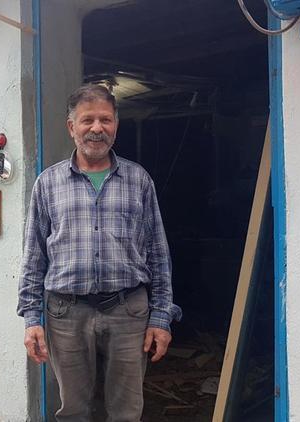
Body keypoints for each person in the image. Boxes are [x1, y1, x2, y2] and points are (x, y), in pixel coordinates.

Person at [18, 84, 182, 421]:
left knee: (126, 411)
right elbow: (34, 256)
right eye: (87, 120)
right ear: (71, 127)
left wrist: (161, 317)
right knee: (74, 411)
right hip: (66, 313)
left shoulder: (139, 180)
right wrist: (32, 318)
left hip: (128, 311)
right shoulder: (47, 184)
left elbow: (159, 255)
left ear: (116, 125)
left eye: (105, 119)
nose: (97, 128)